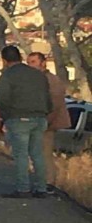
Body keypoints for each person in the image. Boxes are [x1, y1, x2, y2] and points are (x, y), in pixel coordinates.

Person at [0, 46, 53, 198]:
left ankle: (23, 188)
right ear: (21, 57)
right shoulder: (39, 75)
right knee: (37, 154)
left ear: (4, 60)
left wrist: (4, 117)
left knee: (21, 154)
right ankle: (41, 188)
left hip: (19, 117)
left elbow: (2, 98)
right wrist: (45, 112)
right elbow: (48, 97)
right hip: (40, 117)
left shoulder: (7, 75)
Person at [27, 52, 71, 193]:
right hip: (39, 121)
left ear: (43, 62)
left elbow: (55, 102)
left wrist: (46, 121)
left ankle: (49, 183)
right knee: (38, 152)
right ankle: (42, 182)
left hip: (48, 122)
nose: (30, 65)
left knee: (44, 153)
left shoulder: (51, 80)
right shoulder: (37, 79)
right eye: (29, 62)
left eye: (33, 62)